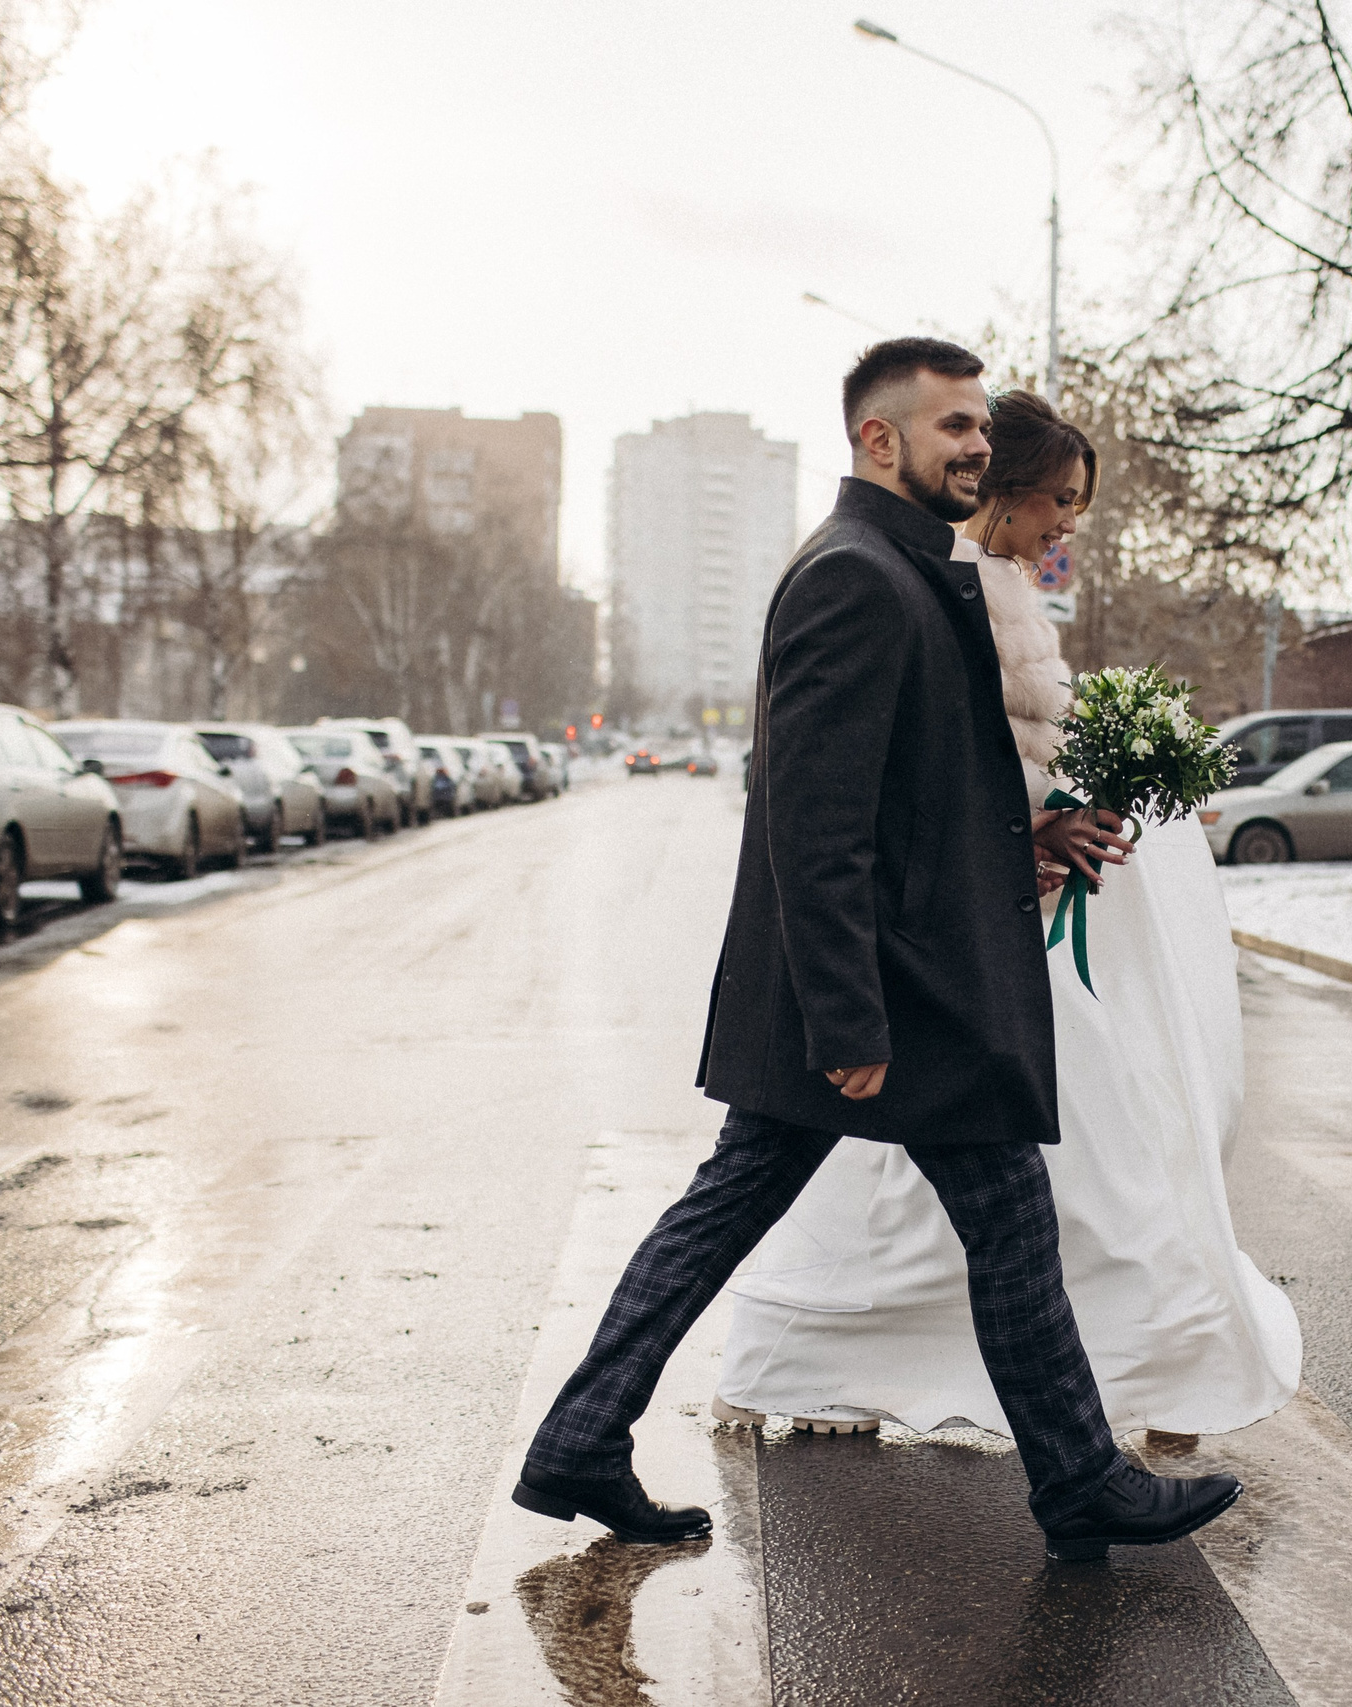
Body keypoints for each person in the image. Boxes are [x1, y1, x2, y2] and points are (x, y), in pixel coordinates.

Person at [513, 339, 1243, 1564]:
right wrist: (848, 1021)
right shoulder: (855, 576)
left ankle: (586, 1435)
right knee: (996, 1228)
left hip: (901, 980)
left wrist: (1030, 830)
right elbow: (816, 821)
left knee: (759, 1210)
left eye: (977, 425)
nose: (972, 443)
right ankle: (1077, 1481)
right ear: (877, 439)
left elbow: (919, 796)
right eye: (949, 426)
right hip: (892, 996)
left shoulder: (908, 570)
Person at [709, 392, 1302, 1446]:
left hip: (986, 926)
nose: (1069, 522)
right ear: (1010, 488)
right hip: (962, 941)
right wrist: (1034, 838)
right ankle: (1120, 1400)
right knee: (1053, 1170)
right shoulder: (957, 592)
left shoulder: (988, 587)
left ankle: (1050, 1409)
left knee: (966, 1187)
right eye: (1060, 500)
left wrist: (1077, 799)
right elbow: (930, 781)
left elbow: (986, 769)